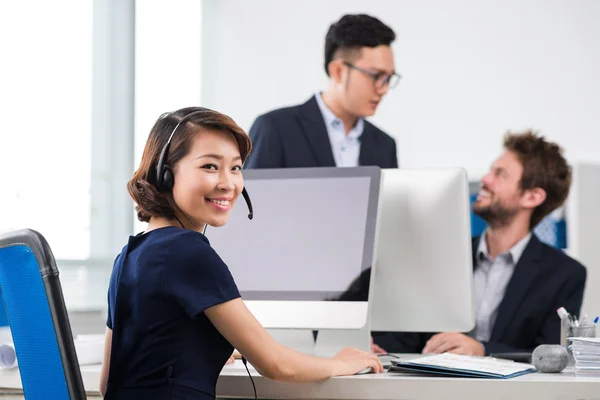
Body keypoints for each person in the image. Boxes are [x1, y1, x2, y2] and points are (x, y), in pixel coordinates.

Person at [99, 107, 383, 399]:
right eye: (210, 166)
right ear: (166, 175)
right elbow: (276, 365)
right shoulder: (188, 251)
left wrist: (202, 349)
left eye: (235, 168)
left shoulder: (129, 255)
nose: (228, 184)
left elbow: (107, 382)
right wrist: (341, 363)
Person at [372, 131, 587, 356]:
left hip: (511, 391)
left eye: (500, 174)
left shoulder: (565, 275)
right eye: (490, 170)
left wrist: (483, 350)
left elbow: (552, 356)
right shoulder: (443, 256)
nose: (485, 180)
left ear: (532, 197)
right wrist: (379, 348)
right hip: (434, 388)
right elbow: (411, 338)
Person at [245, 14, 399, 170]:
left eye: (388, 78)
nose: (383, 89)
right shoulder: (275, 129)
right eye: (376, 76)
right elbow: (251, 194)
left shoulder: (385, 145)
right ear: (338, 71)